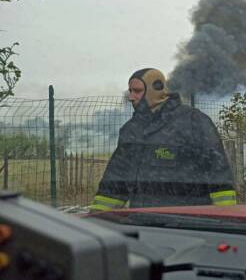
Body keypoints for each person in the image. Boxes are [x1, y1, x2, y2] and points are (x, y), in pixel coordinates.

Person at [90, 68, 236, 211]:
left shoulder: (193, 122)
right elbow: (116, 181)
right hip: (144, 224)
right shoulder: (131, 130)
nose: (131, 97)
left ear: (156, 89)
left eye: (137, 91)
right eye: (130, 91)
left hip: (188, 224)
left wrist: (225, 218)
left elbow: (218, 172)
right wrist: (97, 219)